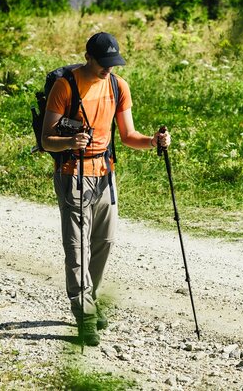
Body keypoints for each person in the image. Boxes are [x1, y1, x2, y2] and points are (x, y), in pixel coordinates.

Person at [41, 31, 170, 347]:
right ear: (89, 58)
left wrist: (152, 141)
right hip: (73, 172)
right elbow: (46, 140)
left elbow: (128, 135)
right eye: (104, 64)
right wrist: (70, 142)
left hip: (105, 174)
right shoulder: (65, 86)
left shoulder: (118, 86)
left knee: (105, 241)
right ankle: (84, 315)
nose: (108, 69)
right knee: (77, 247)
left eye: (113, 64)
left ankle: (91, 298)